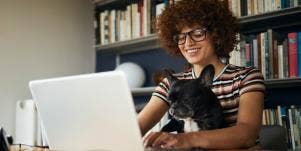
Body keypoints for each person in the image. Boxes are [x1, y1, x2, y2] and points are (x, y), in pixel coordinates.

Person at [137, 0, 265, 150]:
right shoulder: (170, 83)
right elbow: (136, 128)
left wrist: (186, 139)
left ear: (217, 35)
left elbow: (247, 135)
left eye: (197, 33)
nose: (188, 43)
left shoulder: (246, 77)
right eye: (180, 37)